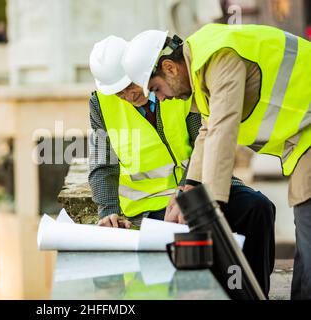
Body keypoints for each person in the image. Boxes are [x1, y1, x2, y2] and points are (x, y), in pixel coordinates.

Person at [122, 24, 310, 299]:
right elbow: (208, 130)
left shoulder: (219, 57)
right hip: (305, 136)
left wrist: (210, 209)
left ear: (170, 68)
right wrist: (187, 192)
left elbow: (224, 129)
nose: (160, 98)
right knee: (306, 241)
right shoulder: (202, 61)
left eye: (156, 88)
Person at [89, 35, 276, 296]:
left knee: (258, 208)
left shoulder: (178, 86)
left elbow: (206, 140)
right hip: (152, 210)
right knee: (193, 233)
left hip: (197, 187)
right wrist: (108, 211)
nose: (127, 95)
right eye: (117, 92)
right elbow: (102, 165)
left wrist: (187, 192)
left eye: (130, 85)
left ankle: (253, 293)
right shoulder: (100, 104)